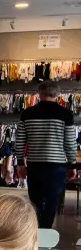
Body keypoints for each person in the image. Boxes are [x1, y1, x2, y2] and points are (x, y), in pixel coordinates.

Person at [15, 80, 76, 227]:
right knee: (51, 200)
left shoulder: (27, 113)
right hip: (56, 165)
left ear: (39, 93)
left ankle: (35, 230)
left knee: (35, 199)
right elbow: (69, 142)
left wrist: (20, 163)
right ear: (57, 94)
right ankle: (45, 230)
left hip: (35, 164)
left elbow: (20, 141)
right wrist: (72, 163)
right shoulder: (65, 114)